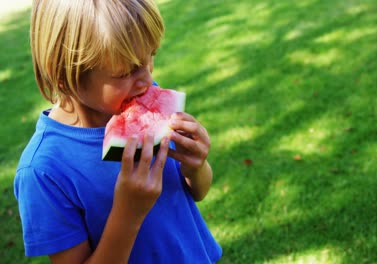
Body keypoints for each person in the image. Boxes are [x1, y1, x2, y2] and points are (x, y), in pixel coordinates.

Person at [13, 0, 222, 263]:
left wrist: (196, 166)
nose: (147, 81)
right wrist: (128, 213)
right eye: (126, 71)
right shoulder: (43, 171)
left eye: (151, 57)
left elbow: (197, 192)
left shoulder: (141, 99)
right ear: (64, 76)